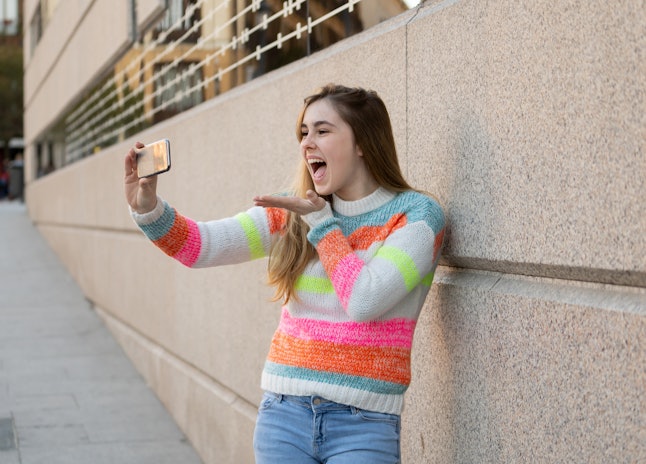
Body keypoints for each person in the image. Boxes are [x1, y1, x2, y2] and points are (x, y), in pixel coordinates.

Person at [124, 84, 445, 463]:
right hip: (284, 415)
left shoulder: (417, 217)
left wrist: (322, 223)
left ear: (363, 142)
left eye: (323, 131)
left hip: (365, 423)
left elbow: (364, 300)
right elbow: (201, 246)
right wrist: (148, 209)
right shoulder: (295, 212)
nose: (308, 143)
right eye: (304, 133)